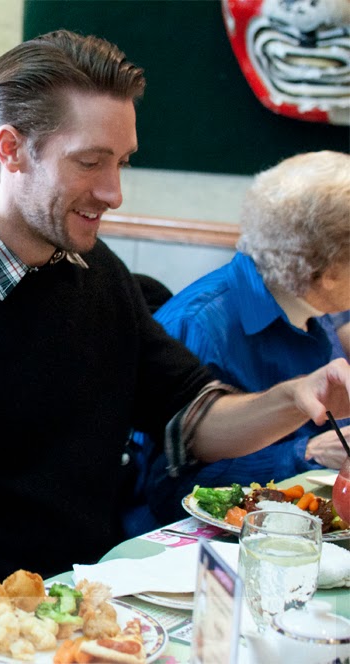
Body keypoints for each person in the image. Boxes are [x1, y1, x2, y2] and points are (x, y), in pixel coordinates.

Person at [0, 30, 350, 605]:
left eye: (122, 162)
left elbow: (192, 417)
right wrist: (21, 624)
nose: (114, 192)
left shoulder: (96, 272)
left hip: (91, 593)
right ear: (11, 150)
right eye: (90, 162)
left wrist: (298, 396)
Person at [137, 151, 350, 527]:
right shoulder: (199, 325)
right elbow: (165, 491)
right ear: (330, 269)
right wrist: (309, 453)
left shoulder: (316, 305)